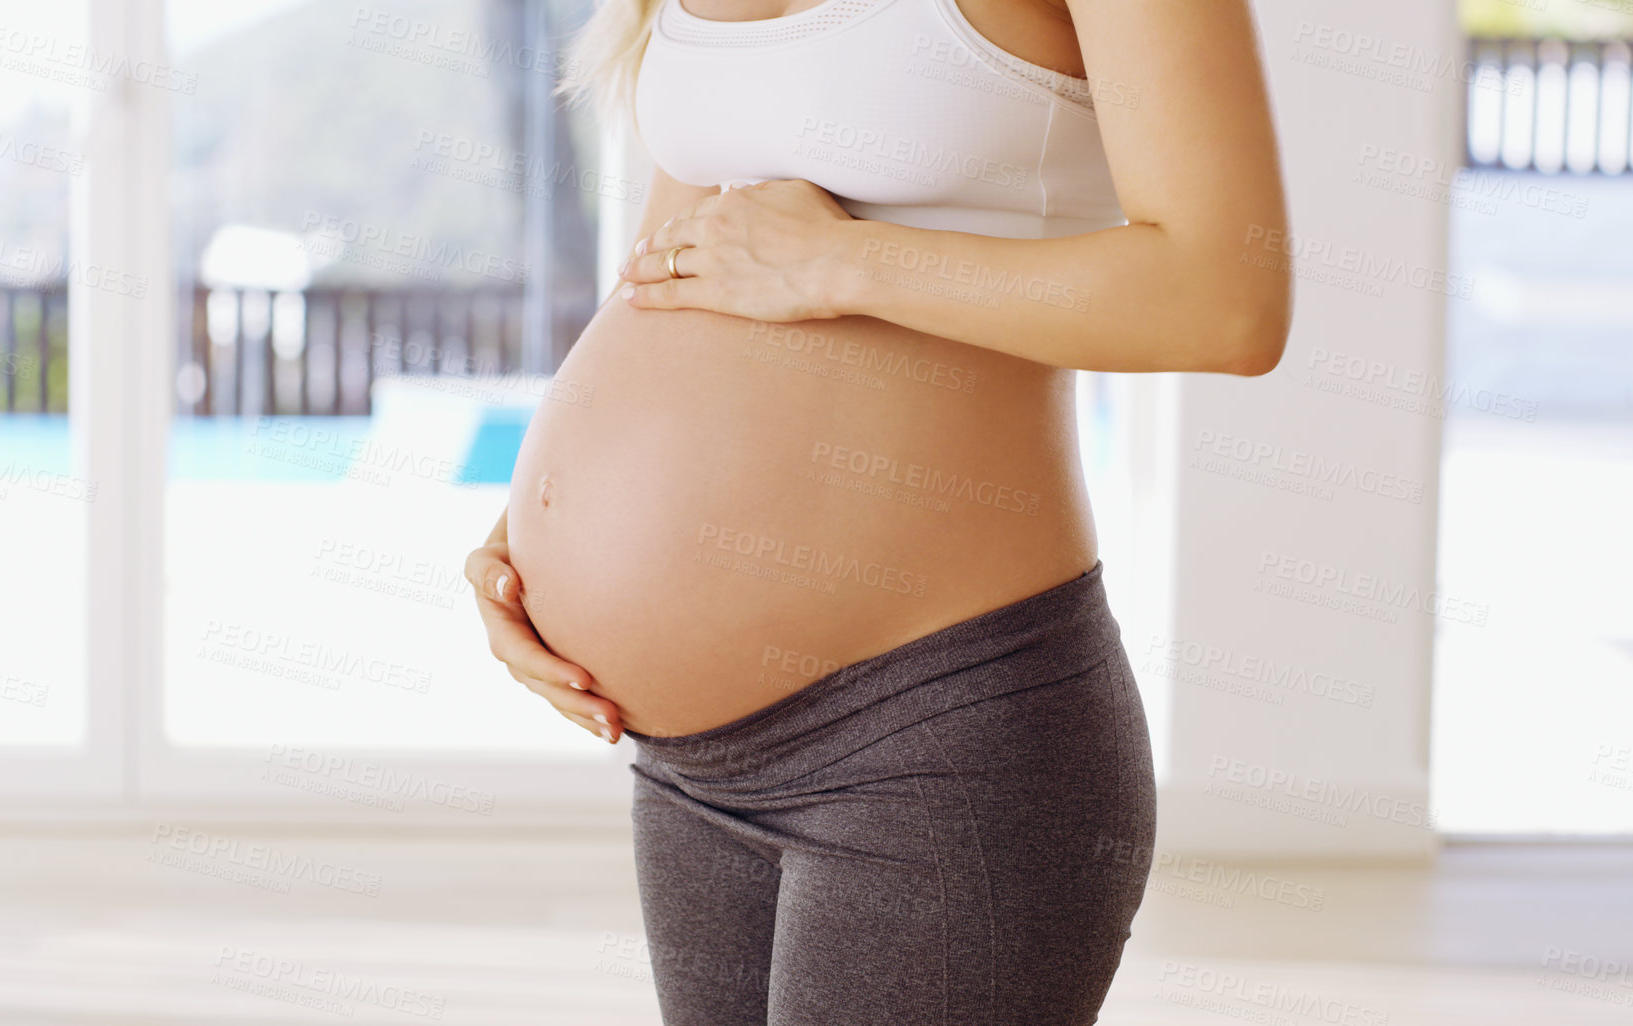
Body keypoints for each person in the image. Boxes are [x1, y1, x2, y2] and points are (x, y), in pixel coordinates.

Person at [463, 0, 1290, 1021]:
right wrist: (534, 535)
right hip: (688, 767)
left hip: (935, 733)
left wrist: (849, 262)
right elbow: (684, 255)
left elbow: (1227, 297)